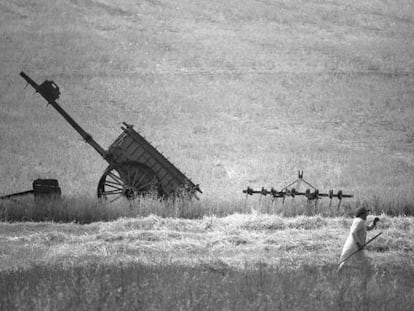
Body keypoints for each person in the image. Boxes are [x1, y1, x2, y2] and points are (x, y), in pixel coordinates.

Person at [338, 207, 380, 272]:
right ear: (361, 214)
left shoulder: (360, 221)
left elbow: (368, 228)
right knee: (347, 262)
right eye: (366, 213)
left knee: (353, 263)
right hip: (353, 246)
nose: (367, 215)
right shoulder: (359, 221)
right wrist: (358, 244)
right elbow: (353, 232)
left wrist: (374, 223)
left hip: (357, 246)